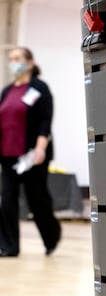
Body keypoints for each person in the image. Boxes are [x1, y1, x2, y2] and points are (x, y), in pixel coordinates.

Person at [0, 47, 61, 257]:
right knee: (6, 201)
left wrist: (40, 148)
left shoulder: (39, 88)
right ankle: (9, 246)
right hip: (8, 156)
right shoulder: (7, 91)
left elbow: (45, 121)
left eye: (17, 58)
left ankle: (51, 237)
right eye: (11, 59)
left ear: (29, 62)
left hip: (32, 156)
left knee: (37, 201)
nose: (13, 62)